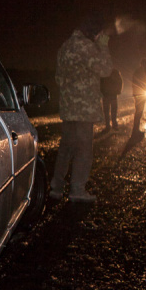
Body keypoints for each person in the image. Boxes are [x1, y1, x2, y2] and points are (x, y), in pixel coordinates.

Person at [49, 14, 113, 203]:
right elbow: (106, 69)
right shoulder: (87, 46)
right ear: (95, 32)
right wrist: (103, 45)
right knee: (83, 150)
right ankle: (77, 190)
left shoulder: (65, 46)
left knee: (66, 149)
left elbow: (58, 78)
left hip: (68, 109)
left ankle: (56, 188)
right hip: (83, 110)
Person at [130, 58, 146, 139]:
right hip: (139, 94)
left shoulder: (142, 72)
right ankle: (135, 131)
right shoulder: (141, 72)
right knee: (138, 112)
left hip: (140, 94)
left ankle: (136, 130)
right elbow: (140, 83)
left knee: (139, 112)